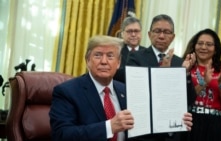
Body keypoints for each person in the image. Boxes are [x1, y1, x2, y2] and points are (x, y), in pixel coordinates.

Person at [49, 35, 193, 141]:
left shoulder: (127, 90)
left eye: (110, 56)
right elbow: (62, 135)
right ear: (88, 61)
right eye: (98, 55)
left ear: (118, 63)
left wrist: (174, 122)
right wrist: (109, 127)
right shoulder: (67, 91)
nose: (104, 61)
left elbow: (144, 130)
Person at [126, 14, 196, 141]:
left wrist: (185, 74)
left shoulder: (179, 62)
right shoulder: (136, 58)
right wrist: (163, 73)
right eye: (157, 31)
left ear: (173, 37)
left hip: (171, 132)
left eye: (167, 32)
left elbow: (189, 99)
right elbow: (136, 92)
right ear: (149, 34)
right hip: (144, 132)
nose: (162, 36)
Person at [182, 28, 221, 141]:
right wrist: (204, 82)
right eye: (200, 43)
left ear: (215, 49)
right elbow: (181, 98)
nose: (203, 47)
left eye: (209, 44)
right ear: (194, 46)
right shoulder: (184, 66)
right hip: (188, 119)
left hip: (213, 122)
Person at [114, 16, 145, 83]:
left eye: (136, 31)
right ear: (122, 34)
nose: (133, 34)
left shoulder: (147, 53)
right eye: (129, 31)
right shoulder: (116, 51)